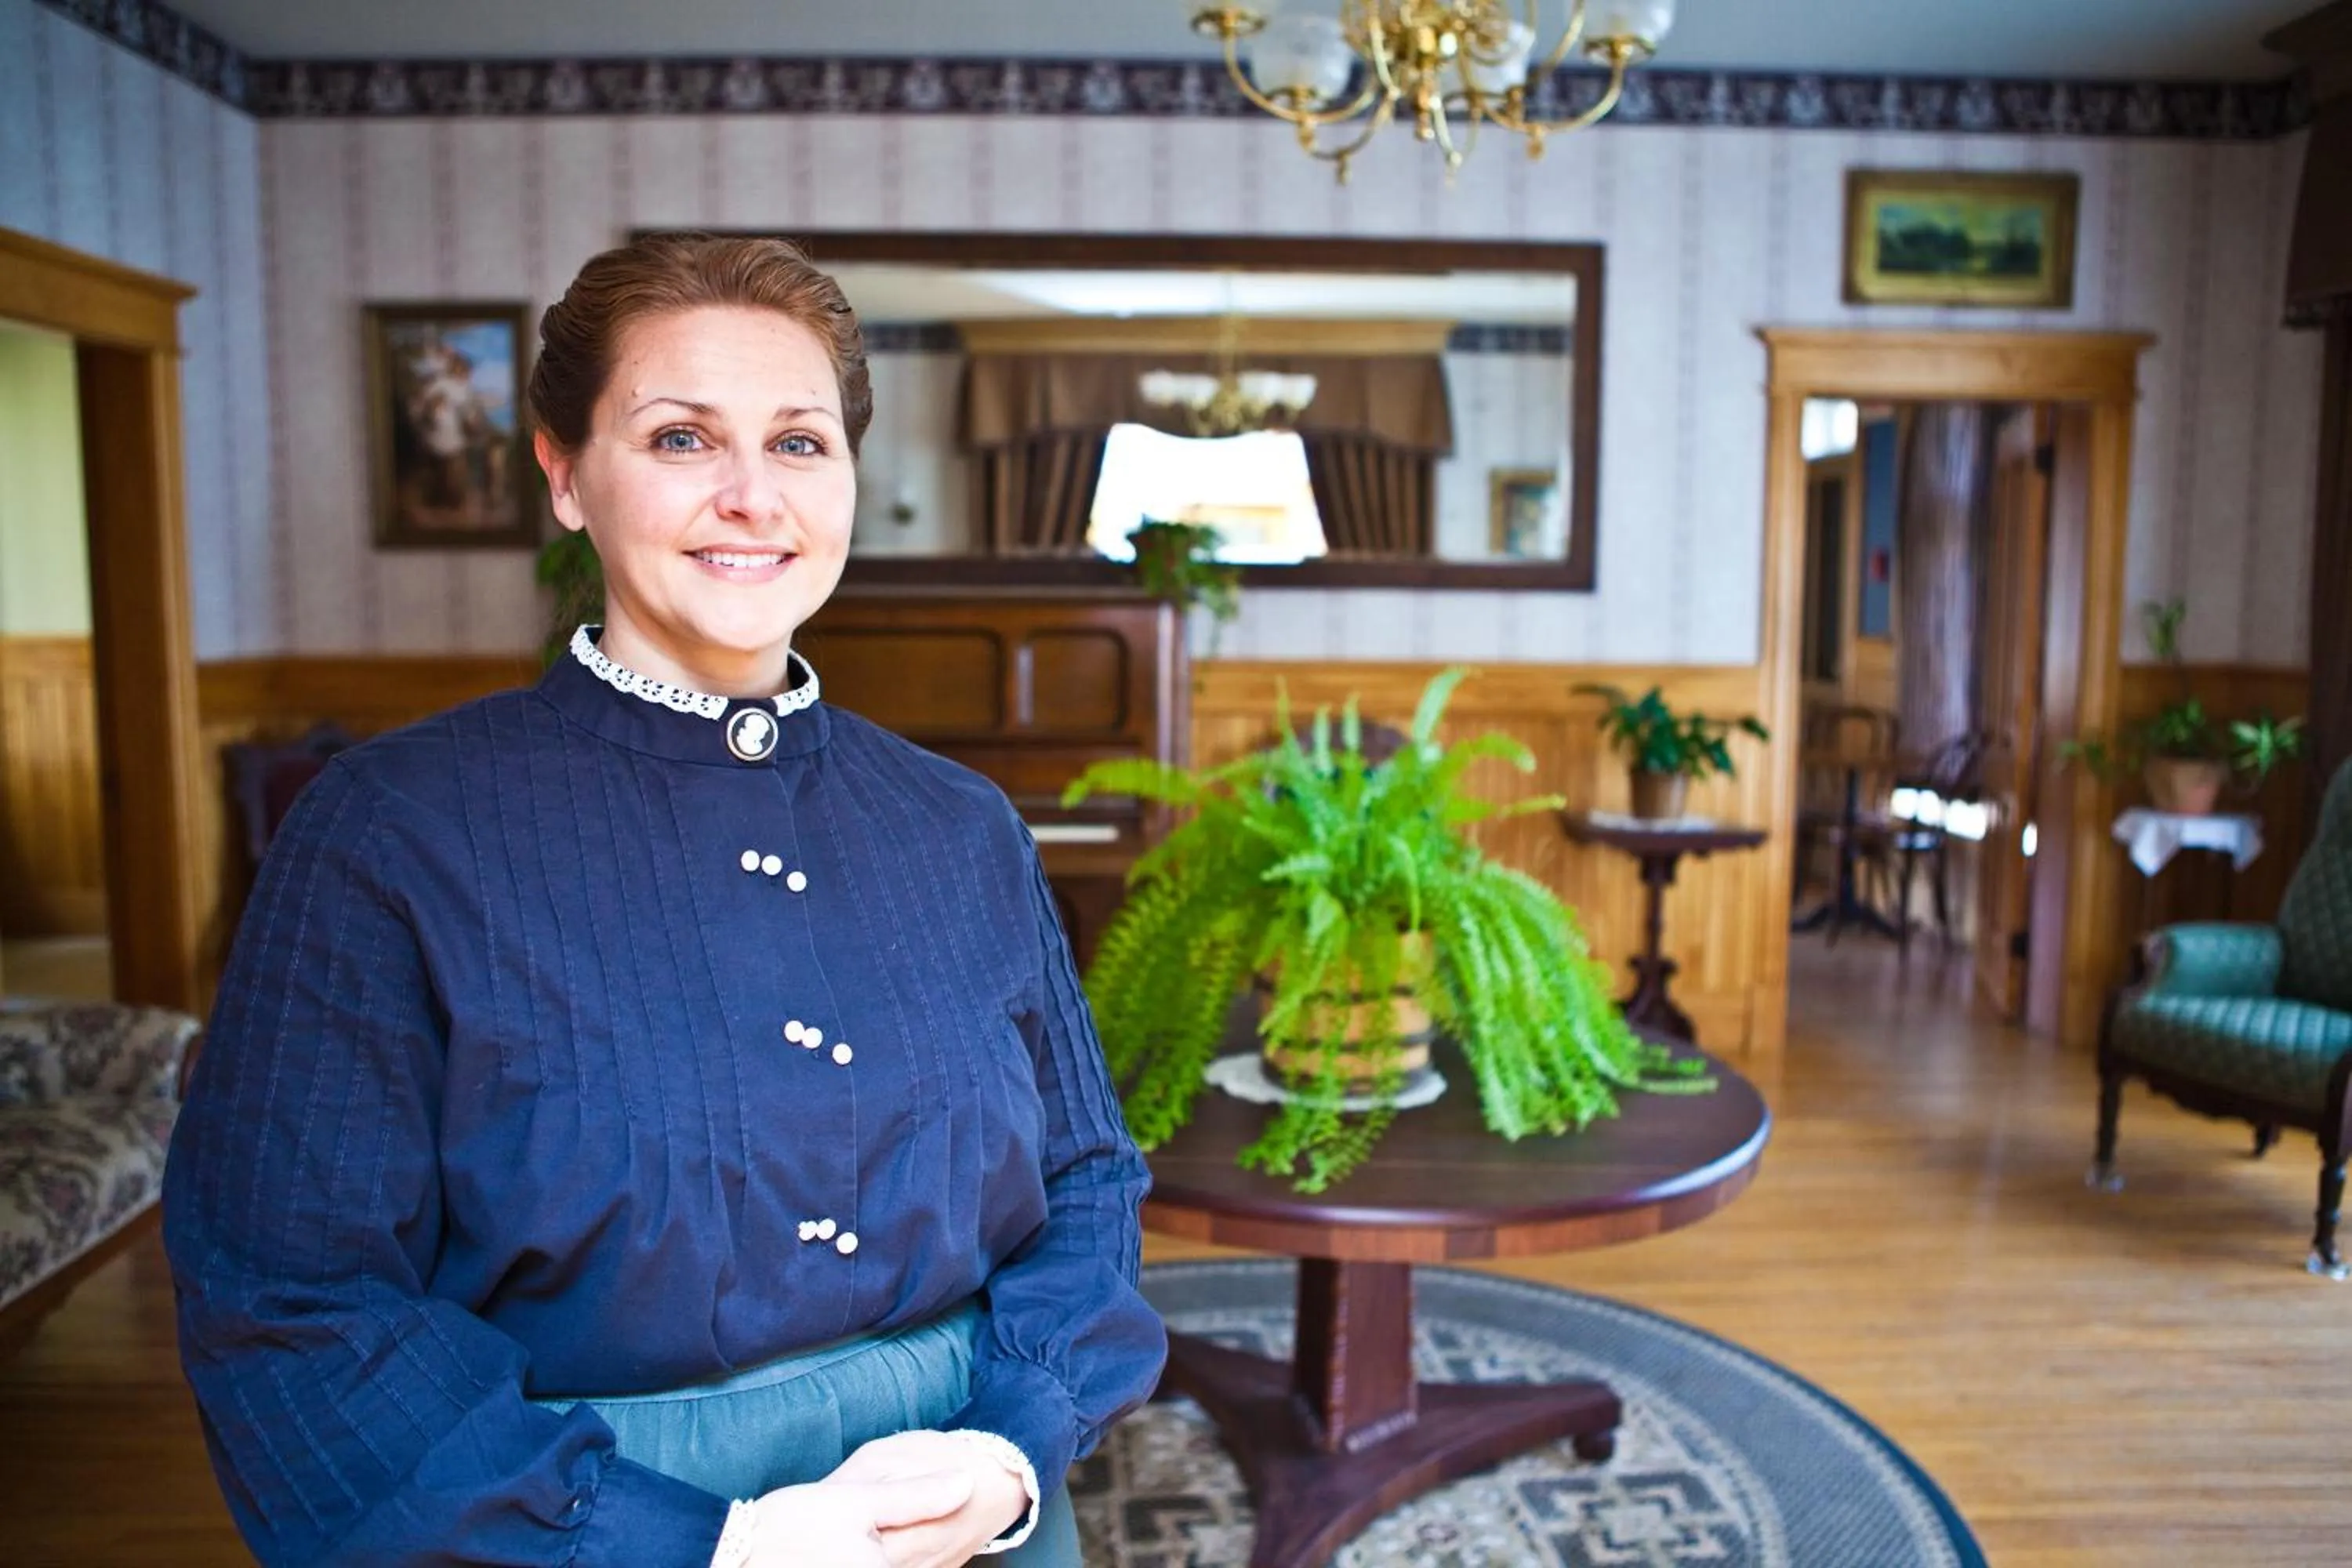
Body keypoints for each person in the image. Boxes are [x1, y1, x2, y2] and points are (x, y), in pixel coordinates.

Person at [163, 233, 1166, 1568]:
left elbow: (1086, 1177)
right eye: (683, 439)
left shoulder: (963, 826)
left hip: (971, 1508)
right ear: (565, 472)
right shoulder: (389, 831)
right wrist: (699, 1545)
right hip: (572, 1524)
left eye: (801, 443)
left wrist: (1009, 1444)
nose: (754, 495)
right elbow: (290, 1299)